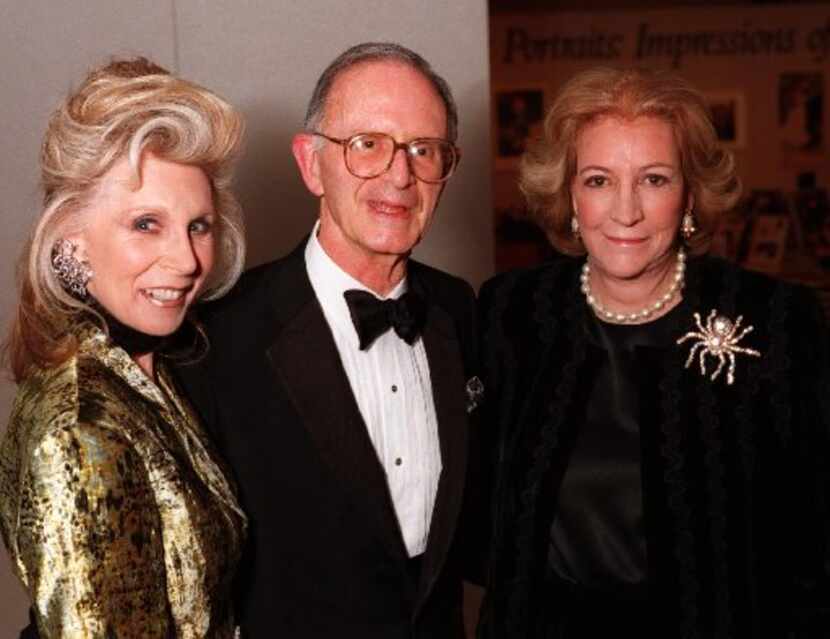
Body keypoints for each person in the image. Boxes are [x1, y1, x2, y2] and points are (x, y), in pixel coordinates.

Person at [477, 67, 830, 638]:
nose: (626, 211)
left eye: (654, 180)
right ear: (569, 192)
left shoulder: (777, 321)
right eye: (598, 180)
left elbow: (815, 545)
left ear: (690, 193)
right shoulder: (510, 314)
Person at [176, 42, 479, 638]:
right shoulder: (218, 339)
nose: (400, 175)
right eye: (367, 145)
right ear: (311, 164)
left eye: (424, 150)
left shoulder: (459, 309)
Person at [0, 58, 247, 638]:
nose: (187, 261)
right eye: (145, 224)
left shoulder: (145, 374)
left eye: (199, 226)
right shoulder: (81, 429)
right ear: (72, 243)